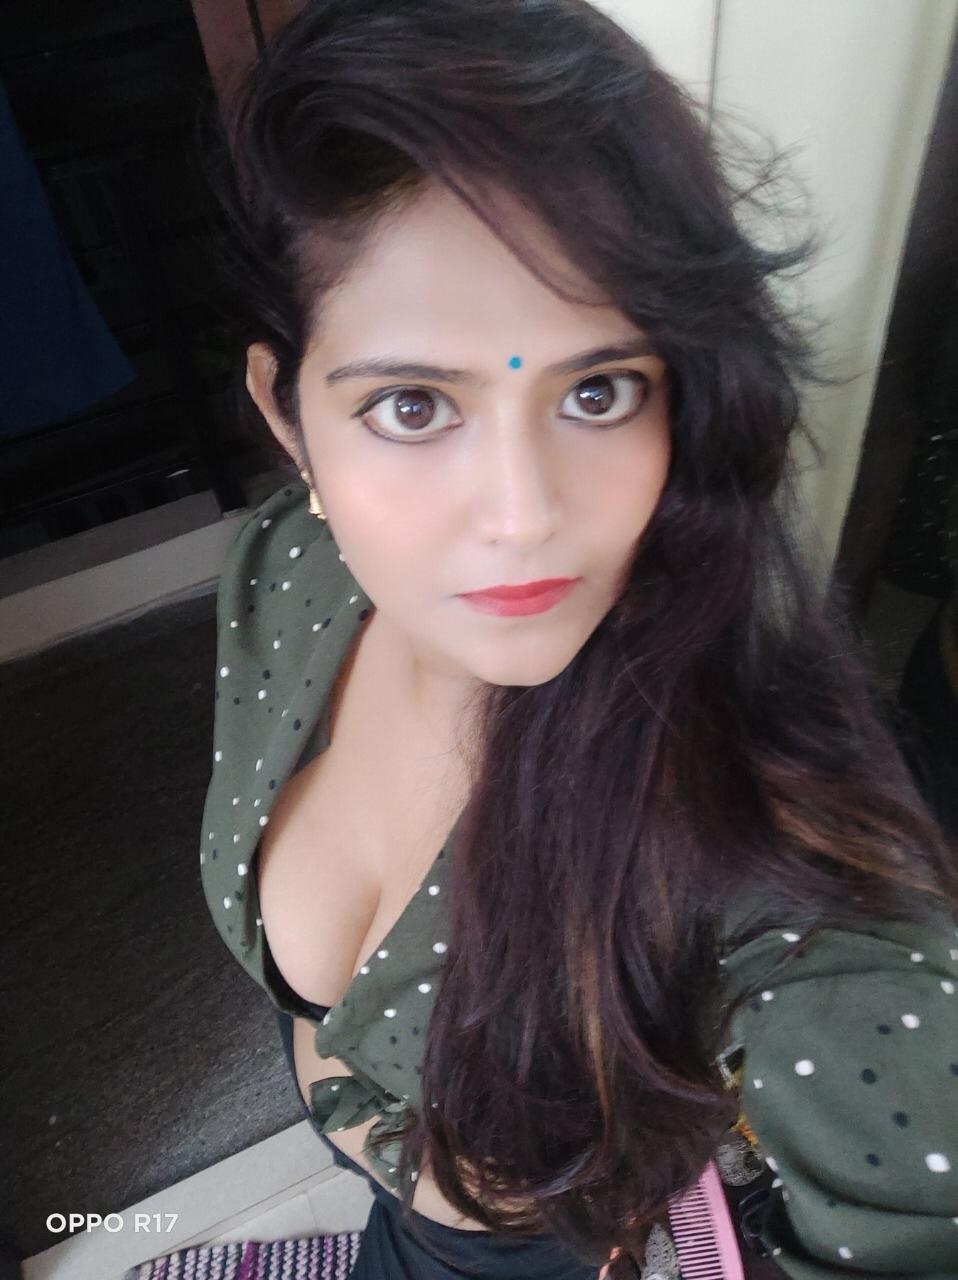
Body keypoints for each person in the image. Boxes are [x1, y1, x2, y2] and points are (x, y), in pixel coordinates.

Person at [196, 1, 958, 1276]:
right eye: (412, 405)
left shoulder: (780, 873)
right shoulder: (291, 571)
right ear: (287, 416)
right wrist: (385, 1146)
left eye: (597, 391)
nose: (524, 515)